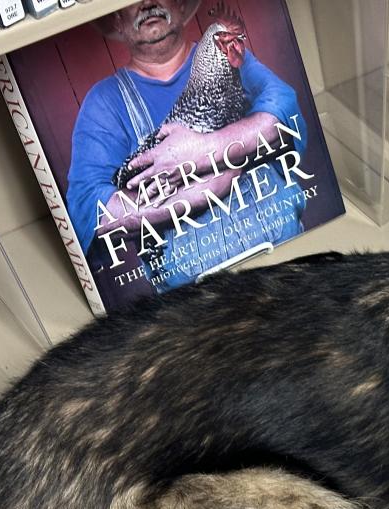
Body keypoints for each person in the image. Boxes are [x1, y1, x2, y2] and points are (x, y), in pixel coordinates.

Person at [67, 0, 309, 293]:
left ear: (181, 6)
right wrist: (201, 192)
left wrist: (203, 153)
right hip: (196, 300)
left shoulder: (233, 60)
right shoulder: (104, 102)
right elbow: (91, 211)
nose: (147, 3)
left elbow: (285, 110)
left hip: (286, 262)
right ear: (117, 19)